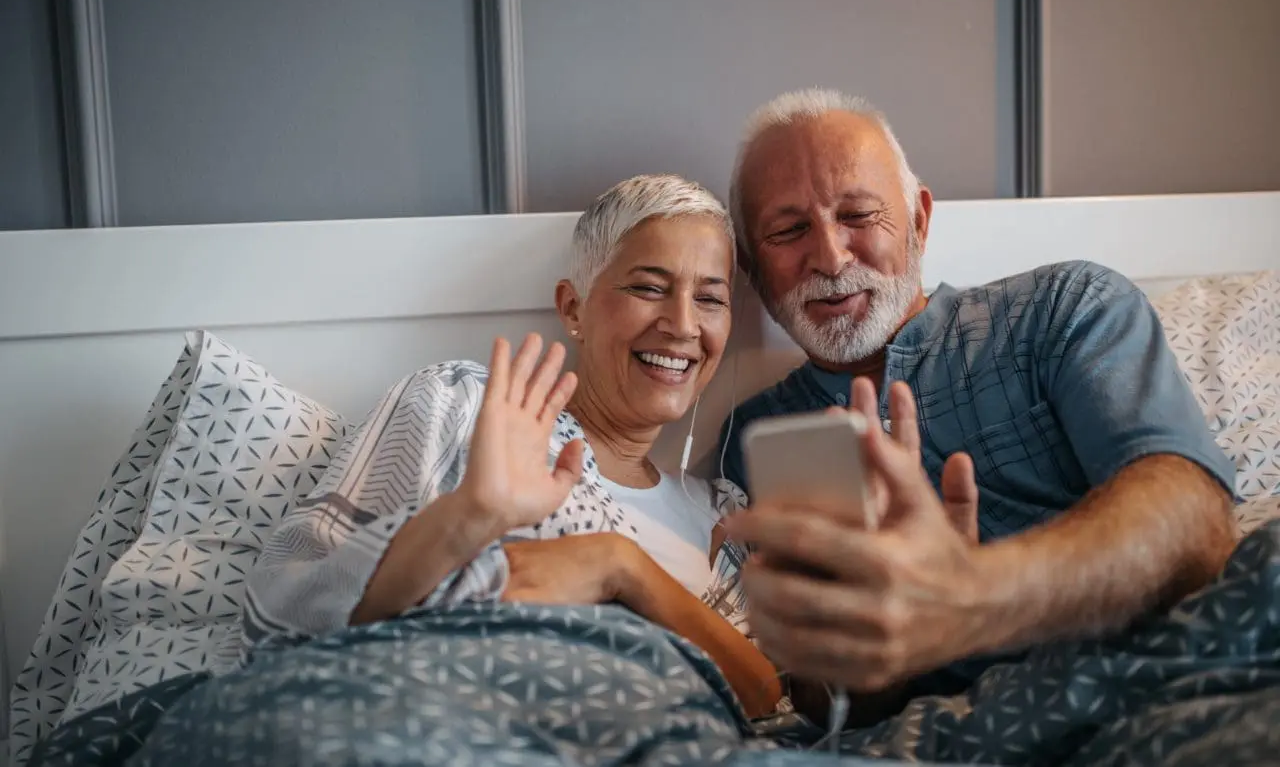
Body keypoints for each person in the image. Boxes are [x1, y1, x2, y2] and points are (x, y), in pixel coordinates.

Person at [716, 88, 1239, 724]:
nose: (829, 256)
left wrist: (973, 594)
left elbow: (1195, 519)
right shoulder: (755, 441)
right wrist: (868, 637)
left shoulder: (1063, 310)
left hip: (1154, 697)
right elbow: (836, 710)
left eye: (858, 214)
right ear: (752, 268)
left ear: (919, 220)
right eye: (788, 230)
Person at [244, 174, 782, 718]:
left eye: (710, 298)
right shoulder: (465, 406)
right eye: (648, 288)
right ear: (573, 308)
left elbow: (767, 700)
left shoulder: (723, 521)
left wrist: (622, 566)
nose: (683, 324)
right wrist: (469, 515)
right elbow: (294, 614)